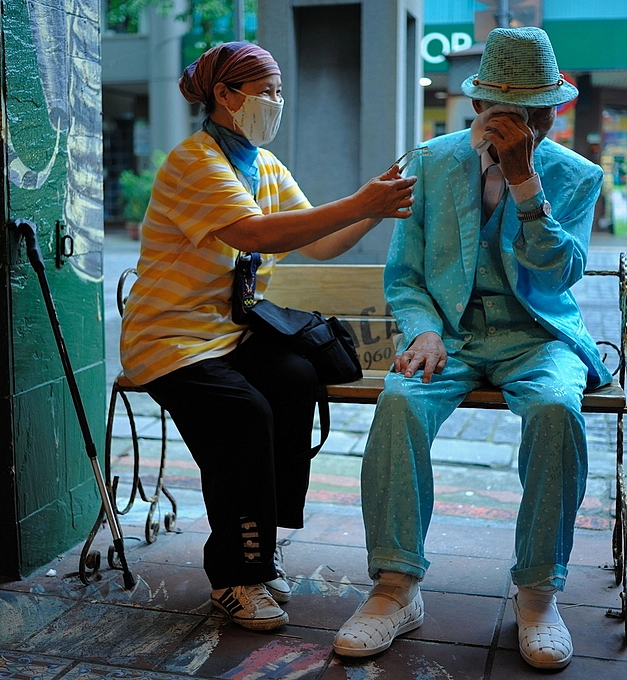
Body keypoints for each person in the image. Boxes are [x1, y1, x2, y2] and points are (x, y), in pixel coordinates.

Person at [333, 27, 612, 670]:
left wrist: (525, 184)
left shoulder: (575, 176)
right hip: (448, 336)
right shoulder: (430, 161)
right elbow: (405, 276)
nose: (520, 127)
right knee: (400, 402)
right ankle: (396, 587)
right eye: (507, 112)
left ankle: (537, 594)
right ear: (479, 106)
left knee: (555, 410)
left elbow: (559, 277)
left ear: (553, 111)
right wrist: (423, 331)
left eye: (536, 113)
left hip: (537, 335)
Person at [120, 42, 416, 632]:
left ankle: (260, 545)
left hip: (228, 335)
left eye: (280, 91)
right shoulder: (194, 161)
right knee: (242, 414)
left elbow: (319, 243)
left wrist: (375, 209)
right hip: (170, 338)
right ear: (224, 96)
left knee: (295, 377)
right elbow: (254, 233)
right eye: (265, 92)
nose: (276, 102)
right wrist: (358, 201)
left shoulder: (266, 166)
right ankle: (234, 575)